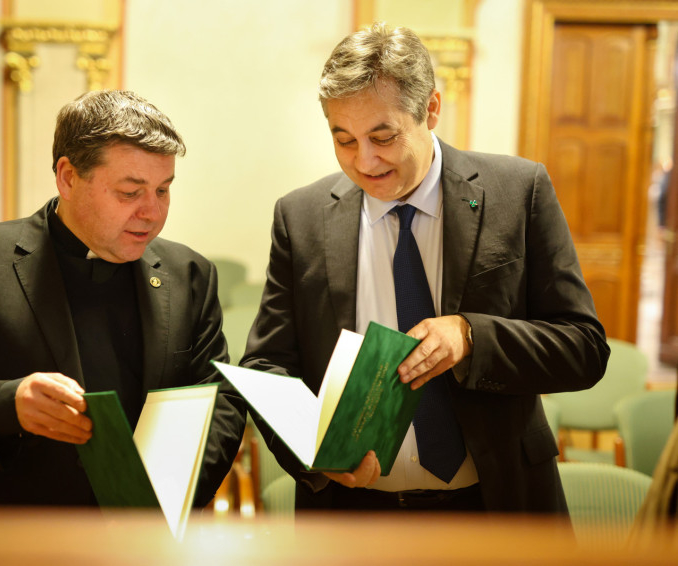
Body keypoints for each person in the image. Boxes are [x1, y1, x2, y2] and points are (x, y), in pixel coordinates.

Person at [240, 24, 610, 513]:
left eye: (383, 136)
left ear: (431, 109)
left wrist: (471, 338)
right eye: (344, 140)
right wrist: (312, 452)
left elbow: (583, 347)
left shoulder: (517, 192)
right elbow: (267, 366)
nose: (365, 161)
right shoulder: (301, 217)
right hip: (353, 514)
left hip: (495, 506)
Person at [0, 90, 245, 507]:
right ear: (68, 177)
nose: (152, 212)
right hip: (12, 533)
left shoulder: (189, 274)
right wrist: (5, 406)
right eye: (130, 192)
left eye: (163, 190)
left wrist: (173, 498)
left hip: (149, 534)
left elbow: (221, 403)